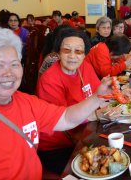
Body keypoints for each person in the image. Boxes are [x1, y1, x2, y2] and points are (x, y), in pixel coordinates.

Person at [0, 27, 114, 179]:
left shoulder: (25, 101)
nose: (9, 73)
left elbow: (66, 117)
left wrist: (98, 96)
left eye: (14, 64)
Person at [36, 28, 98, 173]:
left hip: (84, 134)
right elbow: (62, 121)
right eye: (66, 50)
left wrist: (117, 93)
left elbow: (99, 94)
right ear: (58, 52)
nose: (72, 56)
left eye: (78, 51)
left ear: (84, 55)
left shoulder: (85, 67)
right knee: (94, 169)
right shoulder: (49, 80)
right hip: (58, 146)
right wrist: (95, 114)